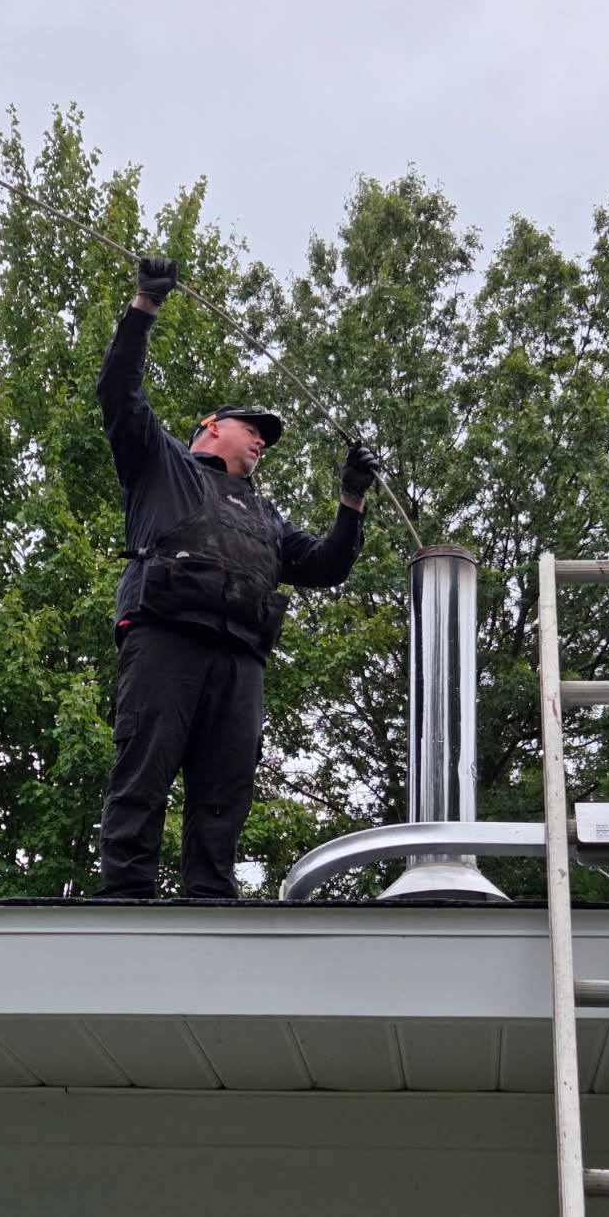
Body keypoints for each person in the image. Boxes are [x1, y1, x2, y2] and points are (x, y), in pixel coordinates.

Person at [95, 255, 376, 899]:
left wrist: (351, 499)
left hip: (241, 659)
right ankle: (127, 898)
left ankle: (212, 900)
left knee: (225, 791)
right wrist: (144, 306)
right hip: (167, 638)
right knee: (145, 768)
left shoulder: (267, 515)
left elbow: (327, 565)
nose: (262, 442)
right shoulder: (163, 466)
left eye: (267, 439)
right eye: (254, 429)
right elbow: (120, 393)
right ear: (212, 427)